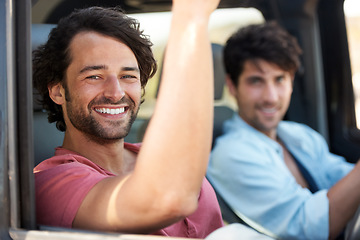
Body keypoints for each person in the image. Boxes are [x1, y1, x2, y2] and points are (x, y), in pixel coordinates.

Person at [32, 0, 224, 238]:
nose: (116, 93)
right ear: (58, 91)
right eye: (94, 76)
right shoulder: (49, 184)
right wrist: (191, 15)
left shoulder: (162, 159)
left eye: (128, 76)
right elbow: (167, 199)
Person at [206, 21, 360, 240]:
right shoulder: (231, 154)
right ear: (232, 86)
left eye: (279, 79)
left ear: (291, 81)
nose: (271, 97)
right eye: (256, 81)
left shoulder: (300, 136)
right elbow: (309, 229)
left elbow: (343, 177)